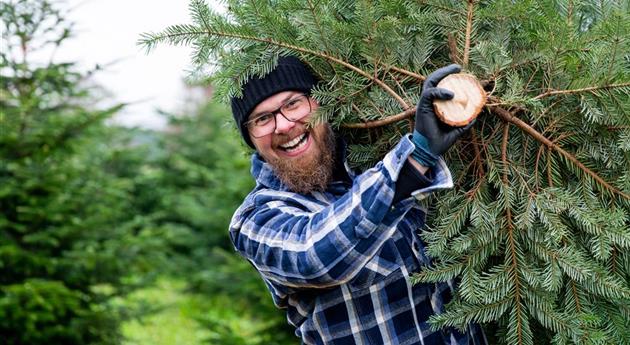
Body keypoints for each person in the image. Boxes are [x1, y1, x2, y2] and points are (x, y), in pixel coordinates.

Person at [229, 56, 486, 345]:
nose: (284, 125)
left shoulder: (374, 159)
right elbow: (312, 256)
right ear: (251, 137)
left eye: (293, 104)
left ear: (320, 102)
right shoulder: (255, 219)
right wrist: (414, 159)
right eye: (262, 119)